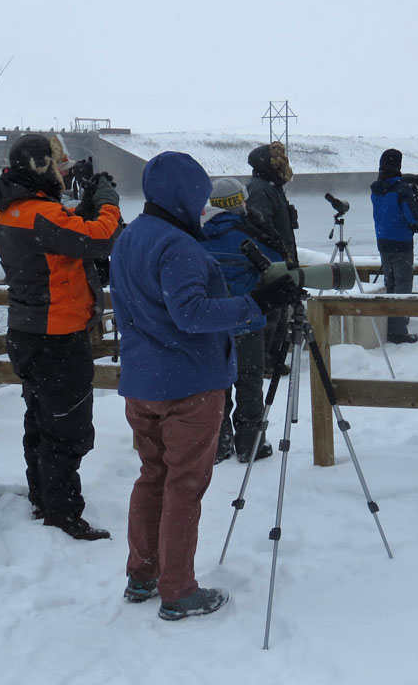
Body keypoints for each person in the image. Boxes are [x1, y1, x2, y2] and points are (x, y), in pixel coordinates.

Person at [109, 151, 301, 620]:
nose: (201, 209)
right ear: (183, 196)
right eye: (197, 199)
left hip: (143, 381)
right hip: (188, 383)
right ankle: (177, 589)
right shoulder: (178, 247)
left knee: (153, 476)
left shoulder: (130, 237)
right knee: (184, 485)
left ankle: (143, 574)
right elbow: (191, 313)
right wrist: (255, 302)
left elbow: (139, 308)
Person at [0, 133, 122, 540]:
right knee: (67, 430)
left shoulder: (17, 210)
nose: (63, 174)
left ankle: (44, 500)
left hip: (29, 335)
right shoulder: (40, 215)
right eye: (58, 166)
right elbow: (100, 237)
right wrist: (108, 202)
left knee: (41, 421)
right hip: (57, 339)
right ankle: (63, 516)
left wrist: (86, 204)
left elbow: (67, 235)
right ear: (41, 169)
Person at [200, 176, 282, 464]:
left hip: (212, 324)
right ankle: (250, 443)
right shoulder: (248, 236)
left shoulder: (199, 235)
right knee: (249, 382)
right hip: (247, 320)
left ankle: (218, 443)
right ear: (239, 203)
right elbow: (274, 266)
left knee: (217, 385)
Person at [246, 141, 298, 375]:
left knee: (279, 310)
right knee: (272, 311)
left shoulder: (270, 187)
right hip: (271, 261)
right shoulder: (261, 188)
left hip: (278, 258)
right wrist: (274, 257)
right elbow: (261, 227)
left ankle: (272, 359)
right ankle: (267, 361)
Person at [370, 148, 418, 344]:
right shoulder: (402, 189)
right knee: (403, 285)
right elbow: (413, 217)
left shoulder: (376, 188)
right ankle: (399, 330)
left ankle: (389, 325)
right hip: (401, 242)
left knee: (390, 283)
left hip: (382, 241)